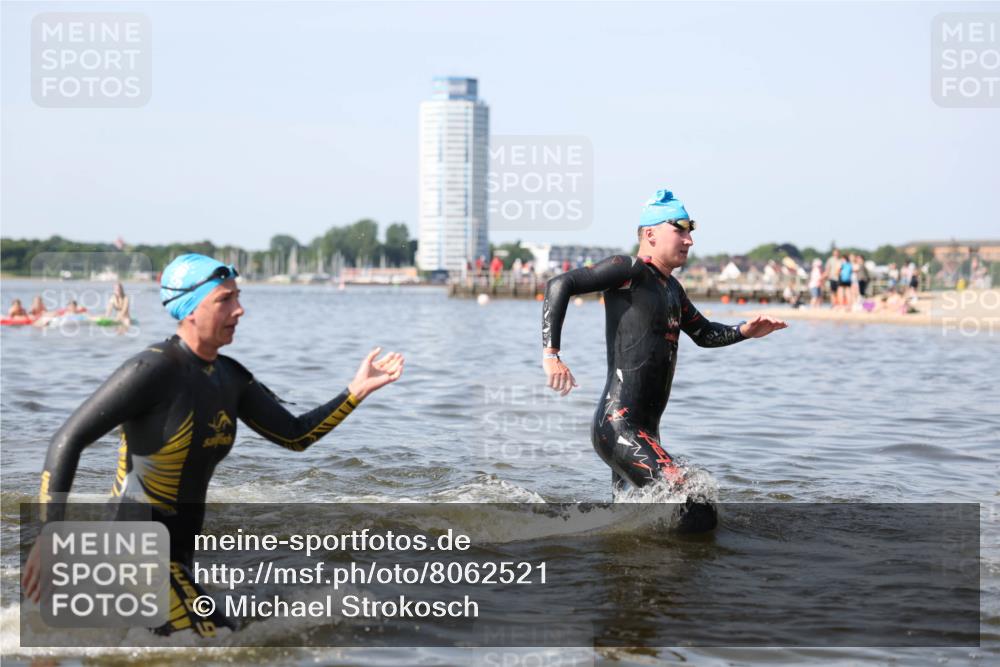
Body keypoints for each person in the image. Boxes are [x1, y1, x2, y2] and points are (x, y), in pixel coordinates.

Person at [22, 253, 404, 637]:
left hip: (175, 560)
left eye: (238, 297)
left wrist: (354, 392)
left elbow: (295, 435)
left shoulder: (230, 378)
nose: (239, 310)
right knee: (217, 644)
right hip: (132, 552)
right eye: (225, 299)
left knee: (213, 638)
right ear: (189, 308)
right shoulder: (153, 370)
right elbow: (67, 440)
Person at [541, 190, 786, 529]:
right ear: (651, 234)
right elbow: (560, 284)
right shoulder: (628, 270)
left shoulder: (672, 289)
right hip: (618, 426)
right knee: (695, 505)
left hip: (647, 432)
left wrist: (744, 330)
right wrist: (551, 354)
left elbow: (703, 334)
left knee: (631, 524)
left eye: (691, 232)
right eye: (681, 230)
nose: (689, 240)